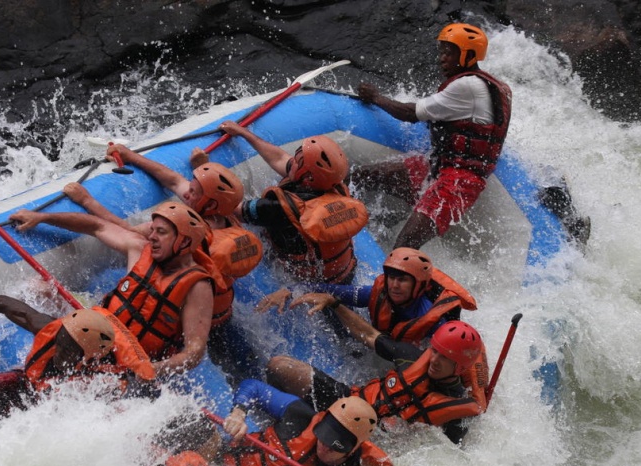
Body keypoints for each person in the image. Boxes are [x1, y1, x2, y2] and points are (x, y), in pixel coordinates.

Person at [94, 143, 266, 383]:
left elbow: (128, 232)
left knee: (229, 366)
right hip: (223, 315)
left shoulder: (192, 234)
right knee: (246, 368)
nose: (187, 194)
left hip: (200, 319)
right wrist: (130, 155)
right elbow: (173, 180)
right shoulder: (228, 218)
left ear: (209, 204)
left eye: (194, 192)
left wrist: (87, 202)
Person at [10, 201, 222, 378]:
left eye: (162, 232)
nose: (153, 237)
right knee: (37, 287)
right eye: (153, 230)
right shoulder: (140, 249)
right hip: (98, 326)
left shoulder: (197, 287)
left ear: (184, 241)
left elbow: (194, 352)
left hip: (130, 359)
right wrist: (42, 217)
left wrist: (151, 370)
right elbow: (97, 226)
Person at [356, 22, 512, 249]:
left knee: (405, 244)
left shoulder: (467, 86)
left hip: (458, 181)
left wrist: (376, 97)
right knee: (367, 175)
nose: (442, 58)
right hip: (438, 168)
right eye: (442, 51)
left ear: (468, 55)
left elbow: (410, 113)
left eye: (449, 52)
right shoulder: (497, 86)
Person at [0, 298, 155, 420]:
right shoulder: (53, 330)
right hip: (35, 387)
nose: (59, 355)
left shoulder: (108, 377)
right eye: (60, 346)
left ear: (89, 357)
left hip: (68, 410)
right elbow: (2, 302)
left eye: (69, 353)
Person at [266, 320, 490, 444]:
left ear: (460, 367)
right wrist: (333, 303)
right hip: (350, 401)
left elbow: (447, 453)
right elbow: (370, 335)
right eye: (436, 351)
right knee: (279, 366)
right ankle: (297, 414)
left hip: (373, 439)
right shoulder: (410, 357)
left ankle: (307, 427)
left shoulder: (456, 409)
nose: (435, 360)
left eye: (445, 358)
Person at [217, 121, 369, 285]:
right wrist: (243, 133)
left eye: (298, 161)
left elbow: (231, 210)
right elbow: (280, 158)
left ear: (308, 177)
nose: (292, 161)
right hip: (346, 272)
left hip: (311, 283)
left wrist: (207, 175)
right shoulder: (335, 187)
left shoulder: (278, 208)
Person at [257, 246, 477, 350]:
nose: (394, 285)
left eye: (403, 280)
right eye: (391, 277)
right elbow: (326, 290)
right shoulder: (378, 294)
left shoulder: (433, 321)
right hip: (382, 343)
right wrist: (289, 288)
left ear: (419, 286)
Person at [216, 383, 391, 466]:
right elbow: (253, 387)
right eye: (325, 437)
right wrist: (238, 414)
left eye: (334, 446)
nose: (324, 446)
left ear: (352, 450)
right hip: (221, 459)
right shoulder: (298, 415)